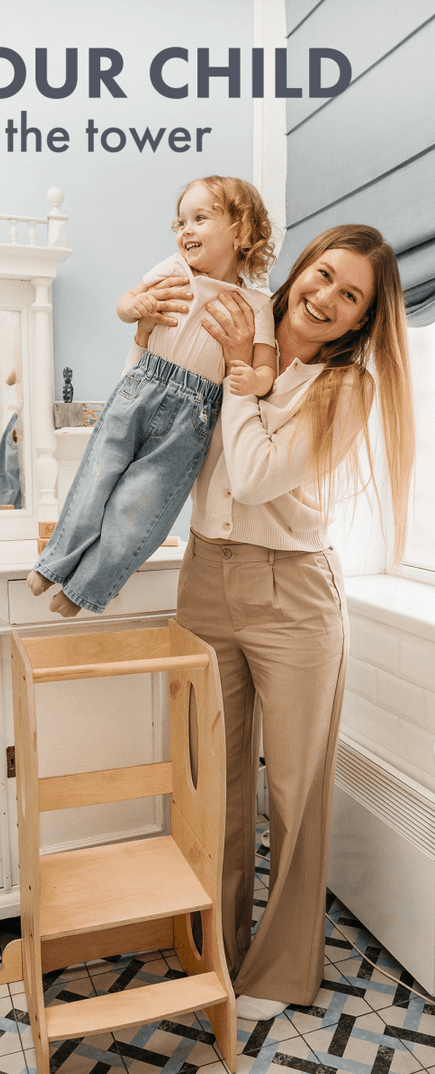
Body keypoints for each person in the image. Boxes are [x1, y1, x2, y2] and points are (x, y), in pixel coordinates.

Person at [176, 224, 415, 1020]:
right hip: (204, 577)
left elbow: (251, 475)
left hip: (294, 598)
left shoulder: (347, 389)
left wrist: (243, 377)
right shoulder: (233, 323)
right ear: (302, 267)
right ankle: (216, 948)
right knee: (212, 780)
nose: (326, 298)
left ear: (361, 321)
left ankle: (279, 972)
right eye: (324, 275)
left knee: (295, 790)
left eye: (351, 297)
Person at [28, 175, 278, 617]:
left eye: (200, 219)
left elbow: (265, 366)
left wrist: (255, 380)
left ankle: (86, 587)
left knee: (140, 507)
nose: (185, 230)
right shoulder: (174, 269)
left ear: (240, 232)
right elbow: (126, 303)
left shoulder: (257, 304)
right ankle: (54, 563)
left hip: (195, 414)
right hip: (143, 386)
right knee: (95, 478)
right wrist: (134, 308)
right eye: (181, 222)